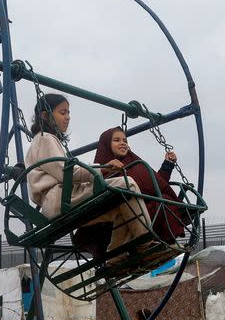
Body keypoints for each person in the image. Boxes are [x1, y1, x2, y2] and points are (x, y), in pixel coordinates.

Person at [24, 94, 150, 263]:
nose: (68, 117)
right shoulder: (45, 139)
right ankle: (146, 243)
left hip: (62, 198)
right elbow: (66, 172)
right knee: (127, 184)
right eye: (62, 112)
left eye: (68, 113)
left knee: (123, 206)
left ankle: (115, 258)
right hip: (61, 198)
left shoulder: (47, 141)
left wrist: (98, 170)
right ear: (45, 116)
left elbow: (67, 170)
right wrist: (102, 168)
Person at [94, 127, 187, 244]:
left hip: (147, 211)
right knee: (160, 203)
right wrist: (106, 169)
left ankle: (164, 243)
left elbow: (155, 184)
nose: (122, 143)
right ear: (107, 144)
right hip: (122, 219)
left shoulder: (135, 162)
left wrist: (167, 165)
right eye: (117, 140)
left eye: (125, 141)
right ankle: (145, 243)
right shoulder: (102, 170)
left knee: (164, 200)